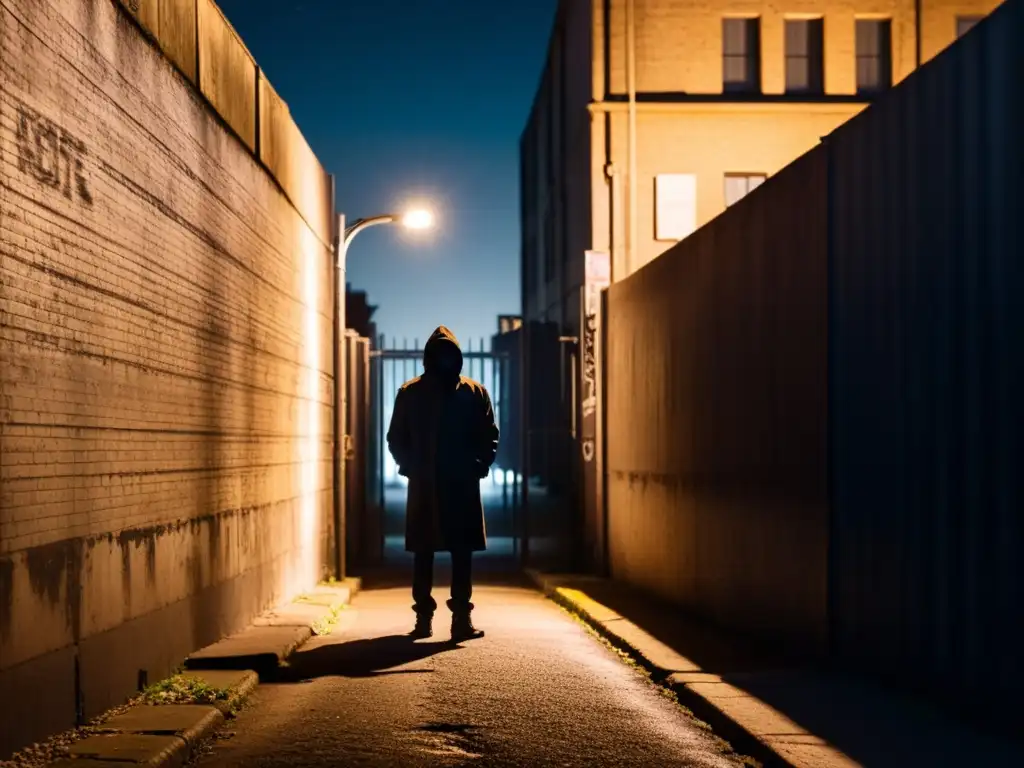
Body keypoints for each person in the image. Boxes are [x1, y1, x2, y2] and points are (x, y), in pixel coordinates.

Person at [386, 326, 500, 641]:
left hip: (443, 483)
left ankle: (441, 618)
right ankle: (444, 619)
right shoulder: (458, 392)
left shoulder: (421, 392)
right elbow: (397, 437)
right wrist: (409, 464)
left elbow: (488, 435)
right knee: (436, 552)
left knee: (446, 552)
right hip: (442, 483)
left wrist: (480, 462)